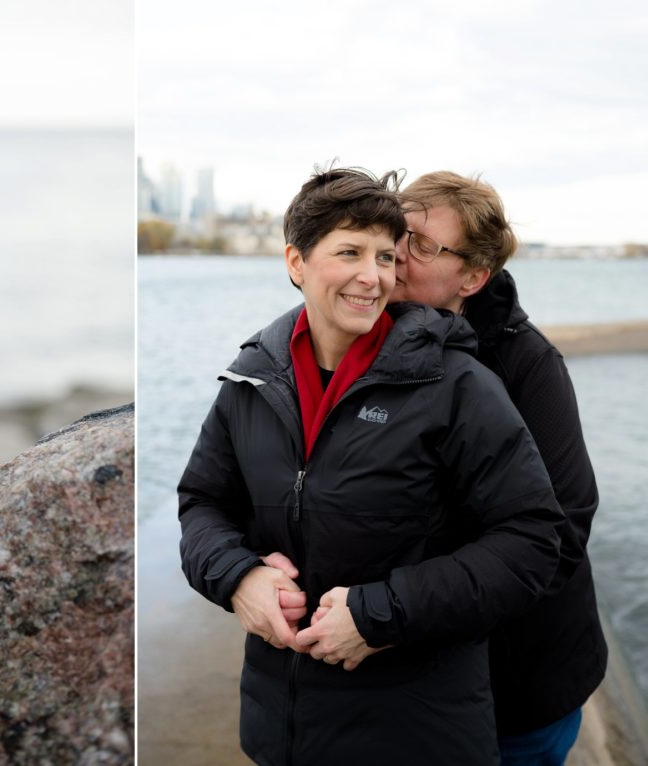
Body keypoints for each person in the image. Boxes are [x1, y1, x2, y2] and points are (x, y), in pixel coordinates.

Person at [178, 166, 565, 764]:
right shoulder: (250, 379)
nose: (373, 275)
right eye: (350, 252)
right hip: (278, 729)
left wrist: (380, 614)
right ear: (296, 263)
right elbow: (202, 503)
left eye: (386, 256)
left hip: (418, 735)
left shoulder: (460, 385)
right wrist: (237, 578)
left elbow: (534, 539)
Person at [388, 171, 606, 764]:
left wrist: (402, 607)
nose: (398, 255)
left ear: (473, 277)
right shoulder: (364, 341)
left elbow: (562, 530)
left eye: (425, 246)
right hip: (405, 676)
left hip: (519, 680)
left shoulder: (527, 366)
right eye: (397, 234)